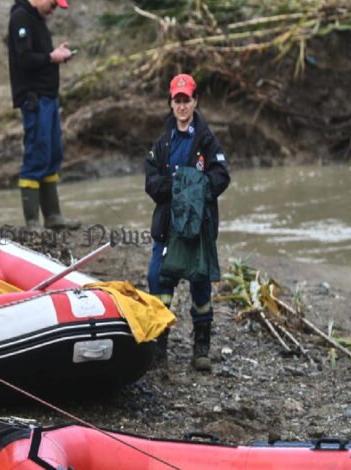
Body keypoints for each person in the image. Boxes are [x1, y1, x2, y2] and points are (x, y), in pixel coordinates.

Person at [145, 73, 230, 372]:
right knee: (158, 279)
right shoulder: (162, 142)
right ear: (171, 103)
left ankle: (201, 348)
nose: (182, 106)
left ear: (195, 101)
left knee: (201, 285)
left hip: (198, 228)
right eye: (177, 100)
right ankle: (159, 350)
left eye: (187, 100)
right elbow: (151, 181)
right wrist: (177, 188)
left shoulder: (207, 139)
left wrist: (194, 188)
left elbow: (221, 176)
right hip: (168, 227)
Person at [7, 0, 80, 230]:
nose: (54, 10)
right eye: (53, 4)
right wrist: (52, 57)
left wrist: (56, 53)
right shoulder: (21, 16)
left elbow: (40, 56)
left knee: (52, 154)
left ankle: (53, 216)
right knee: (36, 154)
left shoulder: (37, 18)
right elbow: (24, 58)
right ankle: (32, 222)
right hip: (34, 98)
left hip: (48, 97)